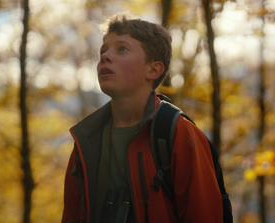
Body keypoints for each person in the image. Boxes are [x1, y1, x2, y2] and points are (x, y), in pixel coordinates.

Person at [61, 12, 223, 223]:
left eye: (122, 49)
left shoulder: (179, 134)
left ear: (153, 69)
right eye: (104, 50)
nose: (105, 56)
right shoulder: (86, 139)